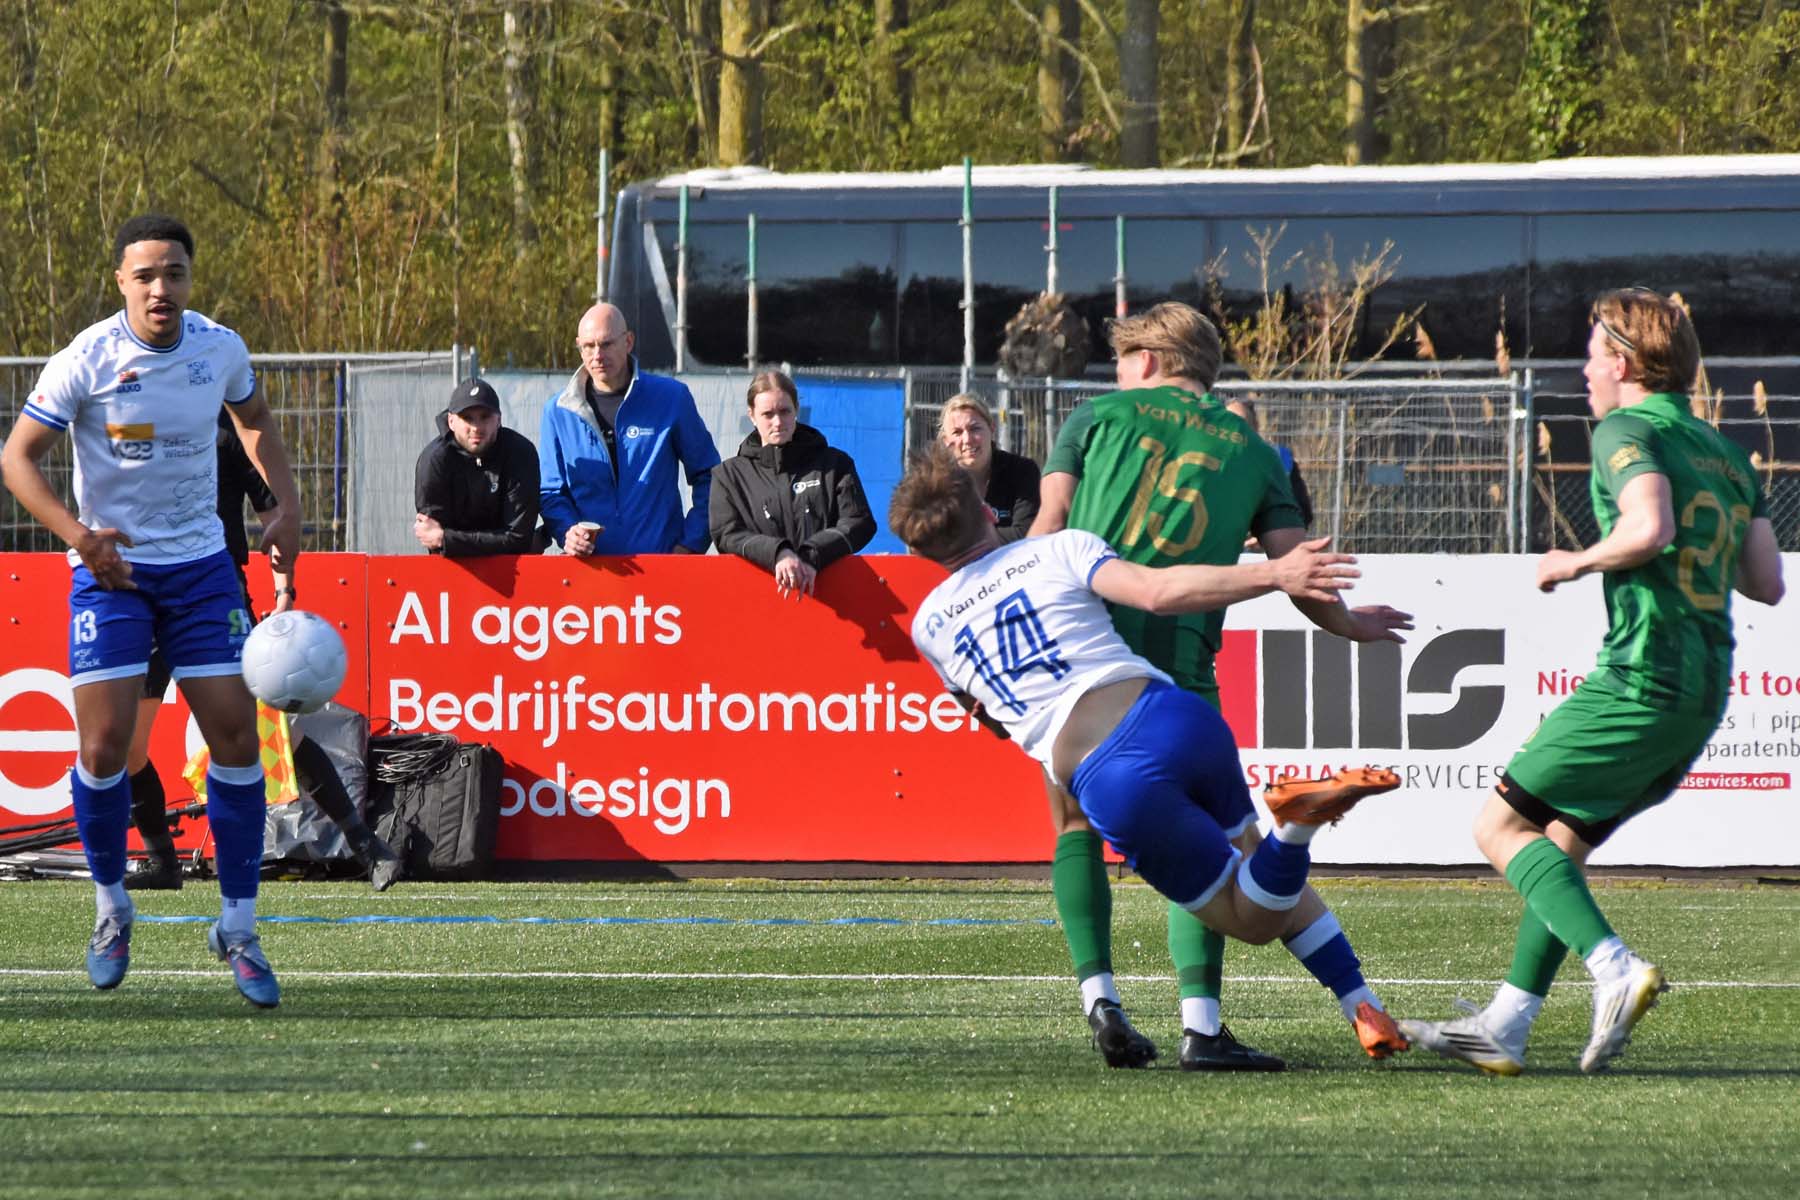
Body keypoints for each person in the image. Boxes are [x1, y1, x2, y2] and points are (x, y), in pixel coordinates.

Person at [893, 447, 1406, 1065]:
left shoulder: (929, 626)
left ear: (918, 551)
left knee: (1251, 919)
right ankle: (1361, 1005)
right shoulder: (1059, 549)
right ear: (984, 508)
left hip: (1110, 775)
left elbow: (994, 720)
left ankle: (1296, 825)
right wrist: (1276, 573)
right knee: (1255, 866)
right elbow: (1158, 591)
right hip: (1175, 714)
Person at [1400, 287, 1784, 1076]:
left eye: (1590, 354)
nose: (1583, 370)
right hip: (1704, 688)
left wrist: (1574, 561)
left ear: (1624, 361)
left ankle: (1614, 969)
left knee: (1498, 827)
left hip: (1641, 674)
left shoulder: (1626, 428)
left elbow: (1650, 528)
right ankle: (1506, 1024)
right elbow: (1767, 582)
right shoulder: (1726, 451)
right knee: (1560, 839)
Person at [1029, 300, 1412, 1070]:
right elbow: (1299, 571)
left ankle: (1102, 999)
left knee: (1073, 826)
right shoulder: (1256, 452)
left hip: (1085, 661)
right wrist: (1349, 626)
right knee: (1213, 850)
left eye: (1123, 360)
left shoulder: (1094, 418)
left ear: (1146, 360)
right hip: (1181, 672)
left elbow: (1046, 530)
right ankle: (1206, 1025)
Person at [1, 214, 300, 1008]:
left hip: (202, 570)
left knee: (238, 738)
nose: (160, 288)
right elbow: (17, 458)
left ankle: (239, 926)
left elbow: (256, 421)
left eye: (174, 273)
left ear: (190, 280)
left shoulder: (219, 349)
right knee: (104, 749)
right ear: (121, 283)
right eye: (145, 276)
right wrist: (79, 537)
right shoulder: (87, 358)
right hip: (112, 574)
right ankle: (111, 909)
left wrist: (287, 505)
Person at [125, 410, 396, 891]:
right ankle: (163, 863)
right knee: (127, 747)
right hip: (145, 597)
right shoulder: (137, 427)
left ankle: (366, 846)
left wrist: (284, 593)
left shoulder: (228, 436)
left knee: (278, 731)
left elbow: (275, 519)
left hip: (215, 598)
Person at [539, 303, 719, 556]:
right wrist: (567, 531)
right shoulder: (558, 411)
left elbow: (710, 476)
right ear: (579, 346)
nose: (597, 355)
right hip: (589, 569)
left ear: (628, 342)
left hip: (661, 566)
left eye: (606, 344)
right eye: (588, 346)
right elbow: (551, 492)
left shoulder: (671, 398)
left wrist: (690, 545)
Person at [708, 370, 875, 597]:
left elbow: (859, 522)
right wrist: (778, 554)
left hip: (832, 597)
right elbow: (727, 535)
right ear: (752, 416)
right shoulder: (728, 476)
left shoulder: (835, 464)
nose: (778, 422)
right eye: (768, 414)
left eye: (785, 411)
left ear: (796, 409)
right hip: (757, 599)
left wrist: (812, 555)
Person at [414, 377, 541, 556]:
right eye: (467, 418)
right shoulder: (434, 461)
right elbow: (434, 542)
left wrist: (448, 540)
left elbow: (518, 539)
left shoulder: (520, 454)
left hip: (512, 565)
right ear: (451, 421)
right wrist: (444, 541)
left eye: (485, 417)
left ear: (499, 420)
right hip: (453, 567)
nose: (476, 427)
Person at [939, 392, 1040, 543]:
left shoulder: (1022, 470)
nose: (967, 439)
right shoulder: (936, 481)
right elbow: (928, 539)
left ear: (992, 429)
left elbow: (1025, 533)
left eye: (975, 429)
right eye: (957, 432)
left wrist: (962, 542)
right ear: (946, 440)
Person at [1225, 397, 1313, 528]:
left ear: (1255, 426)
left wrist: (1268, 534)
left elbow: (1302, 513)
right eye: (1228, 421)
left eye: (1242, 422)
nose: (1235, 428)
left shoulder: (1280, 459)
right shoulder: (1211, 462)